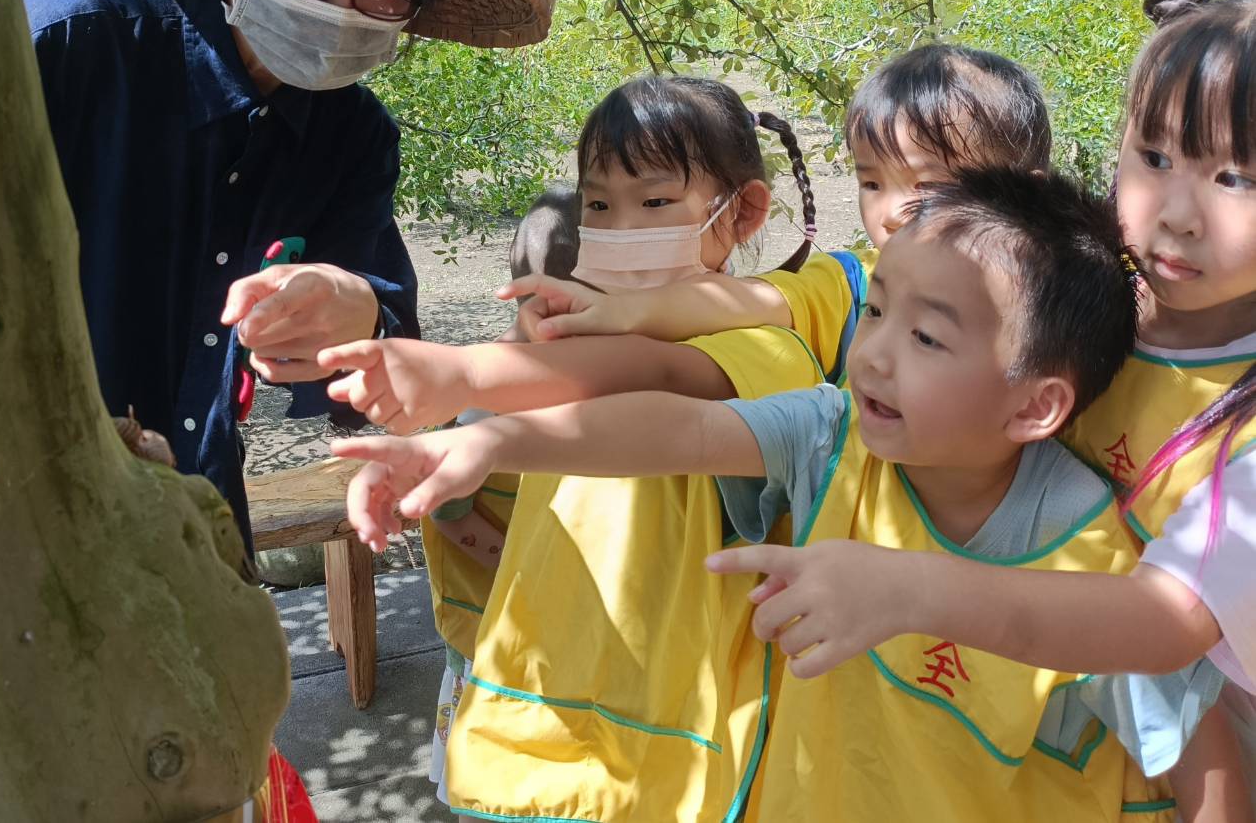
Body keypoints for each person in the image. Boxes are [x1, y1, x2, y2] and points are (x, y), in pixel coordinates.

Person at [332, 169, 1243, 822]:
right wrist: (491, 439)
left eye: (928, 339)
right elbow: (681, 430)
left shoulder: (1090, 558)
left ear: (1035, 405)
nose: (873, 354)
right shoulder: (831, 436)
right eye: (875, 311)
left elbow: (1194, 753)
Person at [656, 0, 1256, 804]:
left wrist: (906, 588)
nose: (1178, 212)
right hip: (1023, 716)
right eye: (1153, 157)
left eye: (1237, 179)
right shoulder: (1071, 301)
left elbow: (1164, 626)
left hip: (1202, 737)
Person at [20, 0, 551, 559]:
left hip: (195, 527)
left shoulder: (353, 136)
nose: (339, 7)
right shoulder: (67, 44)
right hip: (1, 519)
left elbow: (373, 332)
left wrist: (354, 308)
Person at [320, 74, 820, 820]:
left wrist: (469, 376)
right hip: (555, 691)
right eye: (598, 205)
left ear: (742, 211)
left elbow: (653, 377)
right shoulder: (557, 339)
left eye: (655, 203)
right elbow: (517, 429)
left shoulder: (768, 346)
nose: (619, 228)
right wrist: (431, 460)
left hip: (690, 719)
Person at [499, 44, 1052, 381]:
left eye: (927, 186)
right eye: (871, 183)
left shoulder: (1066, 302)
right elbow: (744, 299)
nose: (887, 213)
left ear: (1026, 198)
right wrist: (614, 313)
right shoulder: (852, 283)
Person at [425, 185, 579, 805]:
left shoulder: (568, 375)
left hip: (546, 622)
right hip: (492, 627)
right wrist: (531, 568)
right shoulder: (482, 401)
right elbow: (447, 513)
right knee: (487, 772)